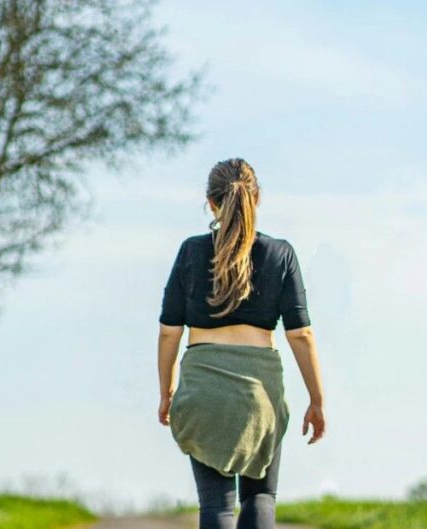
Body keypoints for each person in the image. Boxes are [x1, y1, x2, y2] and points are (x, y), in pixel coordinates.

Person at [156, 158, 326, 529]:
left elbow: (170, 330)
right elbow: (300, 334)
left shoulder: (190, 252)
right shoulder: (280, 254)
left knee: (216, 505)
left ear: (210, 202)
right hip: (259, 393)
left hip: (203, 391)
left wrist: (166, 391)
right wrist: (316, 400)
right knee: (260, 497)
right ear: (257, 198)